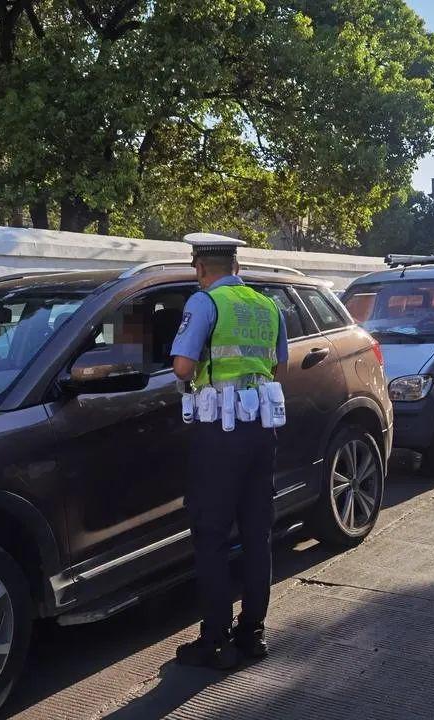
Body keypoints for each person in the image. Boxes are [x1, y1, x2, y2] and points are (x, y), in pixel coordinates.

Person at [170, 232, 289, 670]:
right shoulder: (267, 305)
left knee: (212, 533)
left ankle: (213, 640)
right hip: (261, 428)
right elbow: (280, 366)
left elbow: (182, 366)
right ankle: (253, 634)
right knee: (257, 533)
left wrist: (200, 366)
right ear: (236, 266)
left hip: (219, 430)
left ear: (200, 267)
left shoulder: (204, 303)